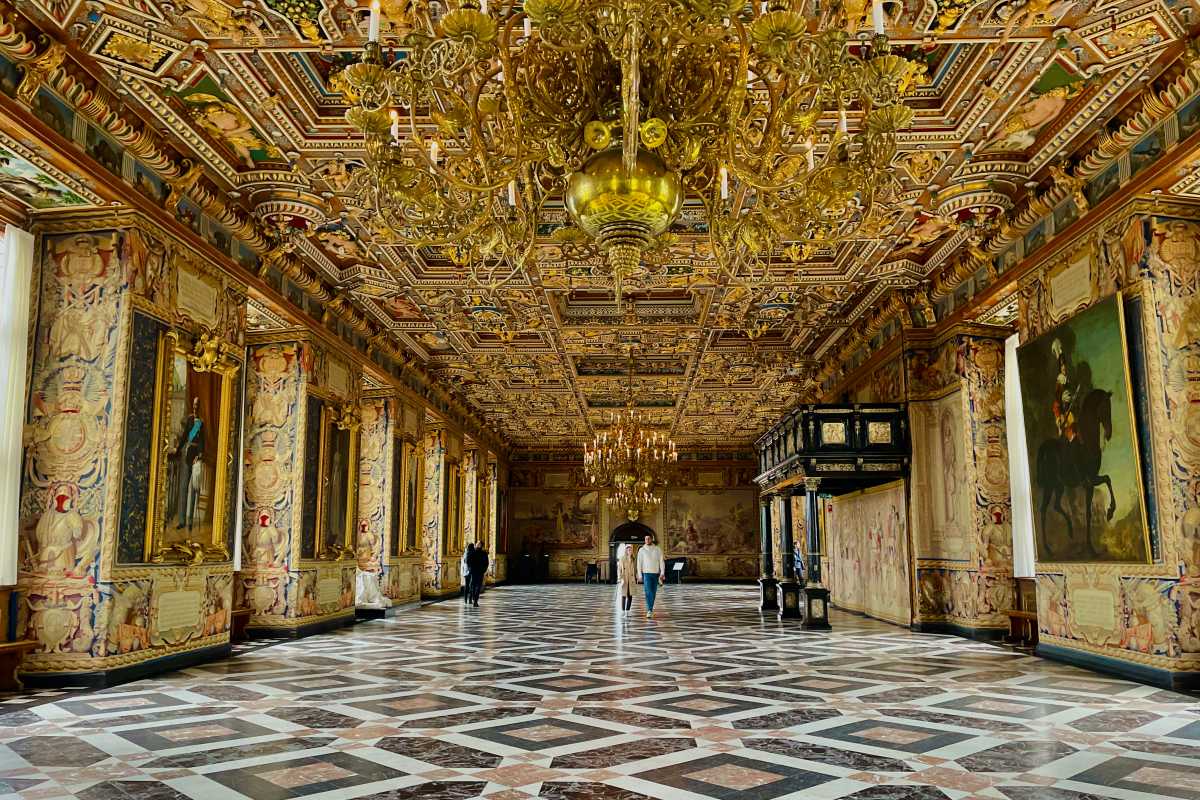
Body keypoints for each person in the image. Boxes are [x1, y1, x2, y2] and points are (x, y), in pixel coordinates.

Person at [636, 534, 666, 618]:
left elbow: (661, 561)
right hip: (646, 574)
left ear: (651, 539)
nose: (647, 540)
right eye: (646, 539)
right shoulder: (641, 550)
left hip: (655, 574)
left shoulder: (657, 549)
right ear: (644, 540)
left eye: (649, 538)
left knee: (653, 592)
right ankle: (649, 610)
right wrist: (639, 574)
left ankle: (650, 608)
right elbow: (639, 563)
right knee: (648, 591)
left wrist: (662, 572)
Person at [615, 543, 635, 615]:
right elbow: (619, 569)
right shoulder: (622, 558)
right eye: (628, 549)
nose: (629, 551)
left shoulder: (633, 558)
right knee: (624, 595)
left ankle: (628, 610)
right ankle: (623, 611)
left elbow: (634, 569)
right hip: (624, 578)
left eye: (630, 549)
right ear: (626, 550)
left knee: (630, 595)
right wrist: (619, 578)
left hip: (631, 578)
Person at [468, 542, 489, 607]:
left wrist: (470, 569)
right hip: (479, 572)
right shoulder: (484, 553)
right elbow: (486, 563)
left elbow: (468, 562)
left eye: (477, 544)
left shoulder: (473, 552)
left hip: (475, 572)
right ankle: (475, 601)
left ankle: (473, 599)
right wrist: (483, 570)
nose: (476, 544)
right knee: (477, 586)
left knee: (473, 586)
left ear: (479, 545)